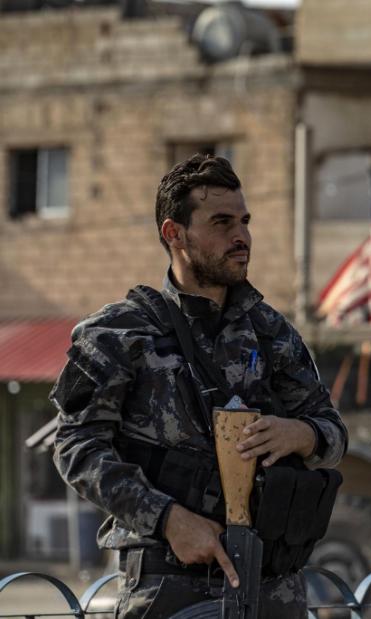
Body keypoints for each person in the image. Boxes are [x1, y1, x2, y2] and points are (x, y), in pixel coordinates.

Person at [50, 154, 348, 618]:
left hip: (272, 585)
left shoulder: (271, 331)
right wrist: (167, 519)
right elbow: (76, 447)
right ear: (175, 234)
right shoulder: (119, 333)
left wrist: (302, 434)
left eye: (245, 221)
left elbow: (333, 431)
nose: (241, 236)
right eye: (222, 222)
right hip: (171, 584)